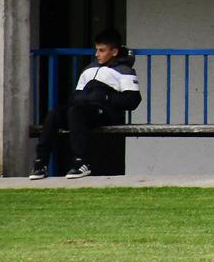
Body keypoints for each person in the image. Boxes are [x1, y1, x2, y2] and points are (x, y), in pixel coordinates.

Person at [30, 29, 141, 179]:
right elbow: (78, 93)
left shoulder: (124, 71)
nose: (97, 54)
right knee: (54, 113)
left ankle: (81, 162)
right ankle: (41, 163)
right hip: (83, 109)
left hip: (105, 113)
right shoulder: (89, 69)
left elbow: (133, 100)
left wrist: (106, 97)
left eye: (102, 50)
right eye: (97, 50)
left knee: (76, 112)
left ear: (114, 51)